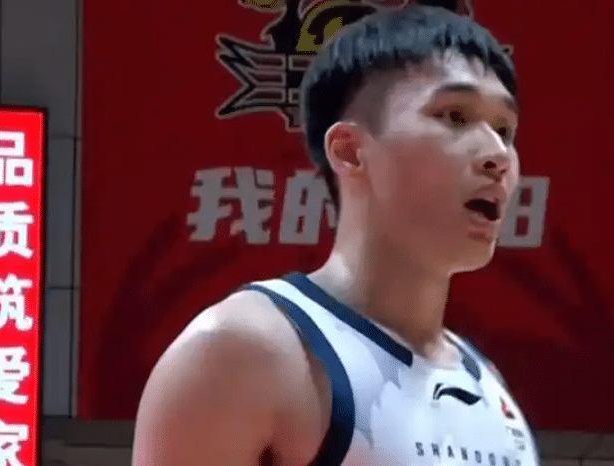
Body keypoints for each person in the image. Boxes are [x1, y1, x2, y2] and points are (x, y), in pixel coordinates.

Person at [131, 4, 540, 466]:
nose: (497, 154)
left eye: (505, 129)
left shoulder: (489, 386)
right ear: (349, 151)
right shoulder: (242, 351)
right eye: (455, 116)